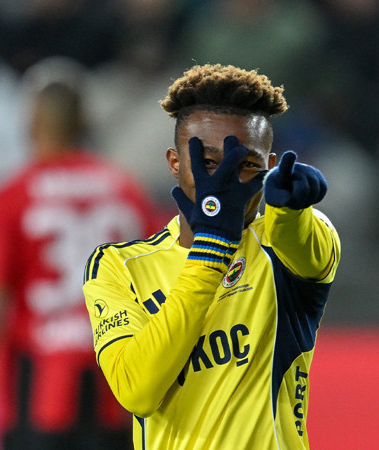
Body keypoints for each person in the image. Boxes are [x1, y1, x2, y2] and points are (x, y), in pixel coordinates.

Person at [82, 64, 341, 449]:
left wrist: (290, 208)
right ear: (174, 162)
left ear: (270, 168)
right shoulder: (119, 266)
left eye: (246, 165)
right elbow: (137, 392)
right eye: (207, 163)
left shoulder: (284, 244)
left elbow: (299, 240)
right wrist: (211, 247)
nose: (224, 182)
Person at [0, 65, 153, 450]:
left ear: (31, 121)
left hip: (39, 391)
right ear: (84, 121)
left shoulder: (11, 197)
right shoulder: (127, 191)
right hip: (115, 390)